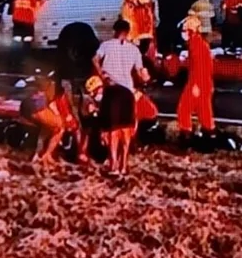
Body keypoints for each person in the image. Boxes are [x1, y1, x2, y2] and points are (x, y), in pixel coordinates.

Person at [93, 19, 147, 174]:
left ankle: (113, 164)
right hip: (128, 92)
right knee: (126, 129)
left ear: (114, 30)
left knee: (113, 130)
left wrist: (103, 75)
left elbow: (95, 59)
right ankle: (124, 165)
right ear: (128, 31)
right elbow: (141, 71)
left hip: (112, 90)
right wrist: (145, 79)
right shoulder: (134, 50)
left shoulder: (106, 45)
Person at [20, 77, 81, 165]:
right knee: (60, 127)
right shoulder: (59, 91)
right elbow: (53, 105)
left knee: (48, 128)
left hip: (27, 106)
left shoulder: (51, 86)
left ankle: (38, 154)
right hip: (37, 106)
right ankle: (47, 155)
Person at [175, 13, 216, 140]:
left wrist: (196, 85)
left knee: (184, 108)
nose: (183, 33)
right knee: (204, 111)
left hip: (198, 82)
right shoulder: (199, 43)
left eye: (184, 30)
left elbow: (200, 67)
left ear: (191, 31)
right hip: (204, 82)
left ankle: (186, 135)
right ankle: (209, 134)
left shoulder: (196, 45)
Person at [10, 0, 44, 72]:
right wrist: (42, 2)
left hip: (17, 21)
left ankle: (13, 59)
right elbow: (36, 8)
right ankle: (23, 59)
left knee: (16, 40)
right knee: (27, 40)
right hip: (27, 22)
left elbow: (13, 7)